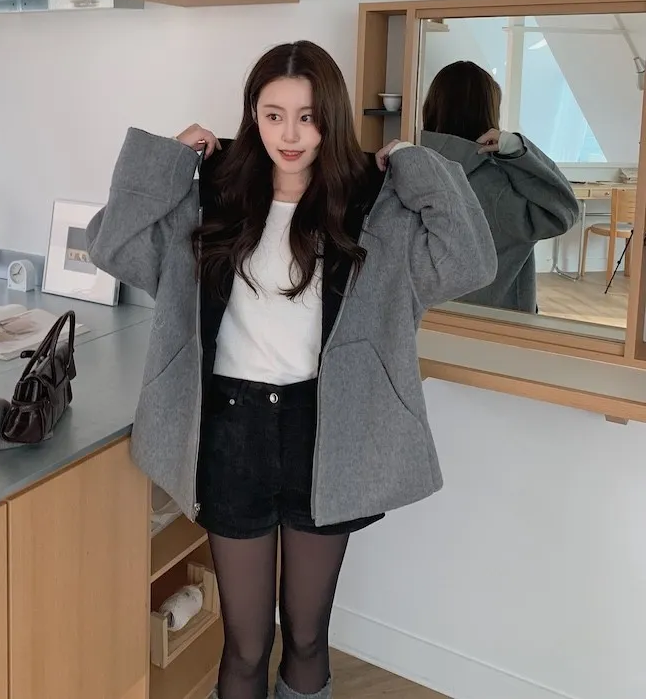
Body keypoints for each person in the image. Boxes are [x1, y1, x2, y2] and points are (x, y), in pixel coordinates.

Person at [87, 41, 496, 699]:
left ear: (331, 118)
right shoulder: (212, 198)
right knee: (246, 644)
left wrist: (414, 161)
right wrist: (166, 159)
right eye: (273, 115)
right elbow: (112, 244)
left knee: (306, 636)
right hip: (230, 434)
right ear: (252, 115)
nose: (291, 134)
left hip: (325, 434)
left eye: (308, 117)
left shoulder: (377, 209)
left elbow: (470, 260)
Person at [420, 60, 580, 314]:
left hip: (420, 321)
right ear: (489, 111)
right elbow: (563, 211)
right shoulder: (497, 186)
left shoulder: (409, 169)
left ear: (432, 106)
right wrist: (517, 148)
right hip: (494, 325)